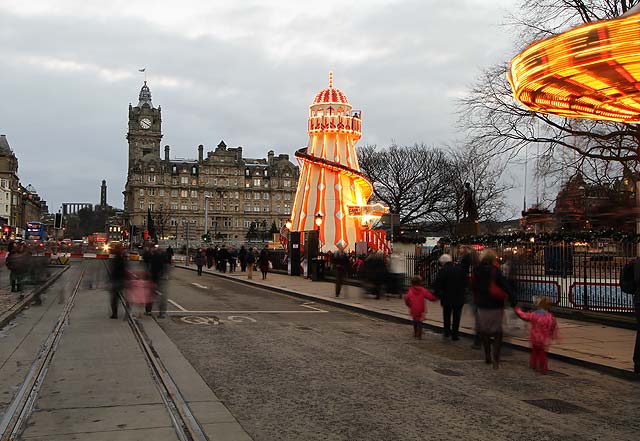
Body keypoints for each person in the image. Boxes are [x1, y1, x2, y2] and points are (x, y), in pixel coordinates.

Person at [471, 249, 515, 369]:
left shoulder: (476, 270)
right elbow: (506, 286)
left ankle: (487, 355)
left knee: (485, 331)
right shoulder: (496, 271)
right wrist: (513, 300)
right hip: (496, 303)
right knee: (497, 332)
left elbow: (473, 286)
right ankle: (496, 358)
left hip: (482, 304)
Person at [514, 297, 558, 374]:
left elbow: (525, 316)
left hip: (534, 337)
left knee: (534, 352)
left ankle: (533, 365)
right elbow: (552, 326)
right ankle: (543, 368)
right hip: (543, 339)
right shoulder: (550, 317)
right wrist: (552, 335)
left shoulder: (534, 314)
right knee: (542, 353)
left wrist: (518, 310)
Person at [433, 254, 467, 340]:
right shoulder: (460, 269)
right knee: (456, 316)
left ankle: (447, 332)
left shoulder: (443, 270)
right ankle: (455, 335)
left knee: (447, 315)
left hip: (446, 296)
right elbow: (465, 282)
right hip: (459, 296)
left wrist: (436, 294)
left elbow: (438, 284)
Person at [109, 245, 127, 319]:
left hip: (117, 280)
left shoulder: (117, 258)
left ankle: (115, 313)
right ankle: (123, 313)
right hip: (120, 279)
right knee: (120, 297)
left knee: (114, 298)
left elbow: (114, 270)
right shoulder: (122, 257)